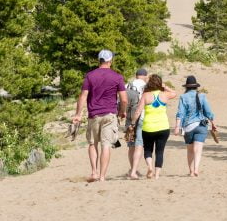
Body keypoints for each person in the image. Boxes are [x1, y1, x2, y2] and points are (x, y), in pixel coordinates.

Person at [72, 50, 128, 182]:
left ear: (99, 60)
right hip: (109, 114)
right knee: (106, 145)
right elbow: (124, 99)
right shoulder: (117, 77)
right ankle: (102, 176)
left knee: (93, 143)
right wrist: (122, 111)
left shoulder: (90, 76)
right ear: (110, 61)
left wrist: (78, 114)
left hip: (94, 115)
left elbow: (83, 96)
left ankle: (94, 172)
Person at [134, 74, 177, 179]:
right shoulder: (165, 94)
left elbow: (138, 111)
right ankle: (157, 175)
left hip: (148, 127)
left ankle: (150, 167)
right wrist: (164, 86)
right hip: (163, 127)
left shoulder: (146, 95)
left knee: (148, 150)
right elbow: (174, 93)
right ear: (159, 83)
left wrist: (132, 123)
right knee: (160, 151)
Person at [174, 75, 217, 177]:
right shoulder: (202, 96)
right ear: (196, 86)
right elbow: (208, 112)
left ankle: (191, 171)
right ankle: (196, 168)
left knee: (190, 150)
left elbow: (180, 113)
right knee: (198, 148)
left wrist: (177, 126)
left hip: (188, 127)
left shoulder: (183, 97)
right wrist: (213, 123)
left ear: (187, 87)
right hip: (201, 125)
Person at [124, 68, 149, 179]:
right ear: (145, 76)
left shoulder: (127, 85)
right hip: (142, 116)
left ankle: (132, 169)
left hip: (129, 117)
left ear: (136, 75)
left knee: (131, 145)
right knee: (139, 144)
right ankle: (134, 170)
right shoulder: (147, 86)